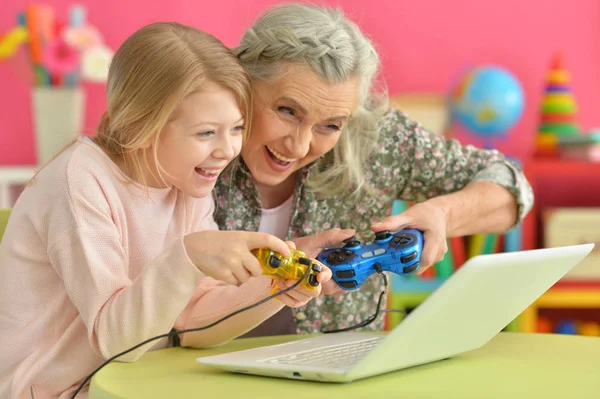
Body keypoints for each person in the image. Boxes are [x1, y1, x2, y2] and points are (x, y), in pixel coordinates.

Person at [0, 22, 331, 399]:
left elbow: (192, 323)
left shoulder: (185, 182)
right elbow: (116, 338)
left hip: (132, 383)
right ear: (143, 125)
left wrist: (274, 290)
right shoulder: (80, 181)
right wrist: (188, 256)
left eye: (237, 128)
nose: (227, 150)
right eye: (206, 132)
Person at [212, 3, 534, 336]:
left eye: (330, 125)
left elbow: (512, 188)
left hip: (334, 374)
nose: (299, 146)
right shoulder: (193, 131)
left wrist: (443, 214)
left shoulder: (379, 141)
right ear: (244, 80)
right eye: (287, 111)